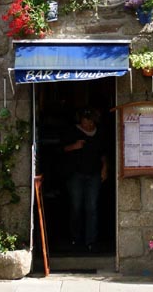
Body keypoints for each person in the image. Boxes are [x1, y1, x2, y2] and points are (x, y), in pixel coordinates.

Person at [62, 107, 108, 252]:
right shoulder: (72, 131)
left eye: (90, 122)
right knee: (76, 206)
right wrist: (74, 146)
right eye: (85, 122)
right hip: (76, 174)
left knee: (91, 207)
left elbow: (103, 153)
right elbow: (62, 149)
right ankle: (75, 237)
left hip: (94, 174)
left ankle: (91, 241)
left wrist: (104, 168)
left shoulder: (99, 133)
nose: (87, 125)